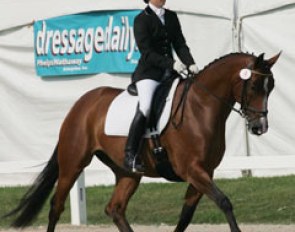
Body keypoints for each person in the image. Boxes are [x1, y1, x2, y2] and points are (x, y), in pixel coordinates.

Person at [124, 0, 199, 172]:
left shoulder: (171, 16)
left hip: (169, 73)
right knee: (146, 107)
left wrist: (191, 63)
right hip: (149, 73)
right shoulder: (141, 20)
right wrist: (171, 63)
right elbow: (147, 52)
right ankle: (130, 154)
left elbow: (179, 43)